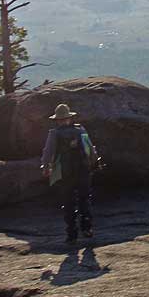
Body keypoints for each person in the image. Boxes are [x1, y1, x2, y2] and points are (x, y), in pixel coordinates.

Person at [41, 103, 98, 243]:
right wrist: (95, 162)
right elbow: (90, 148)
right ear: (69, 118)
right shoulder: (80, 130)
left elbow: (48, 152)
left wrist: (45, 167)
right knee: (84, 199)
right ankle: (87, 228)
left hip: (64, 172)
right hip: (83, 170)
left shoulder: (54, 133)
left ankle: (71, 233)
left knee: (68, 202)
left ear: (58, 120)